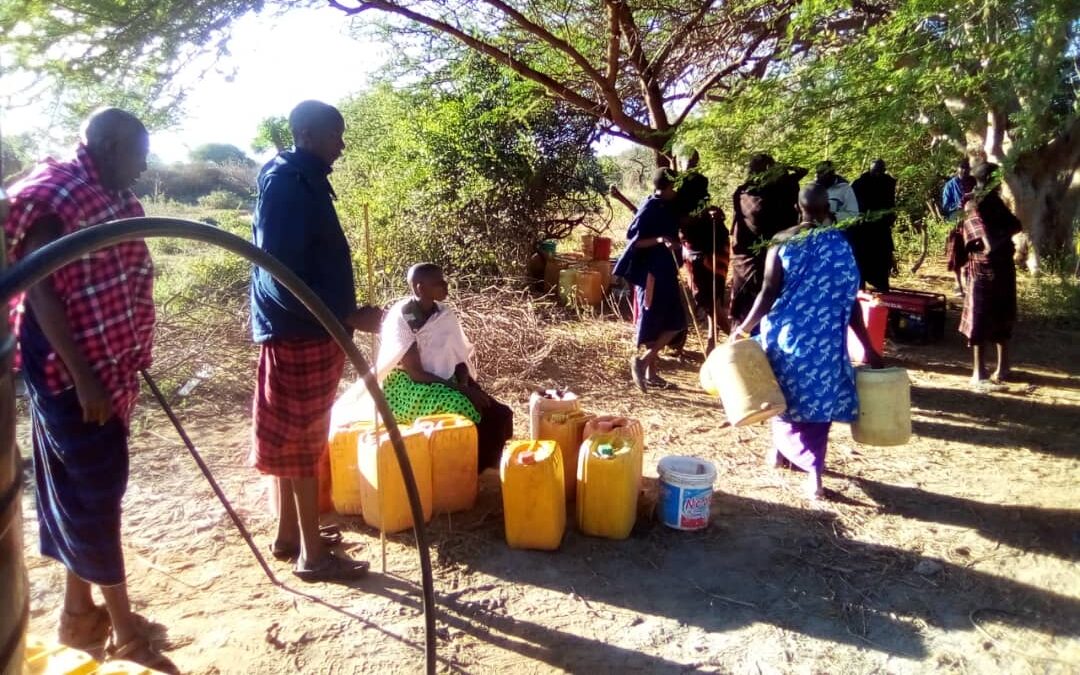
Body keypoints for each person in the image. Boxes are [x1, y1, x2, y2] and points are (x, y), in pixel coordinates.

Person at [2, 109, 178, 673]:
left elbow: (121, 275)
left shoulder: (111, 196)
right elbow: (42, 290)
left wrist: (120, 358)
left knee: (85, 492)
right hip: (72, 376)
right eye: (138, 151)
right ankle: (125, 631)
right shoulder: (57, 197)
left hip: (109, 370)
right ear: (105, 144)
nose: (145, 162)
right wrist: (83, 375)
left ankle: (78, 613)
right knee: (95, 498)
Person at [250, 100, 381, 582]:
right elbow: (282, 272)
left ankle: (290, 534)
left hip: (311, 326)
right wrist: (347, 313)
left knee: (298, 433)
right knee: (303, 440)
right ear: (305, 132)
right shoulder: (287, 182)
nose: (340, 146)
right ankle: (312, 555)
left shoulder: (301, 177)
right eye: (333, 135)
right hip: (301, 328)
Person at [731, 184, 883, 499]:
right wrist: (867, 346)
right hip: (825, 344)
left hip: (786, 338)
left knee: (783, 399)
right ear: (827, 209)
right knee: (817, 409)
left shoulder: (783, 241)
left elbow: (768, 293)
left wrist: (744, 328)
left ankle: (783, 455)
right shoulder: (840, 244)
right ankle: (812, 474)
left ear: (798, 208)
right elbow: (851, 302)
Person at [368, 263, 513, 470]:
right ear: (420, 288)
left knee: (500, 413)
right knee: (462, 408)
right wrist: (462, 391)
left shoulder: (444, 314)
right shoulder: (404, 319)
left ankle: (485, 468)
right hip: (409, 386)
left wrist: (466, 384)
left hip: (447, 379)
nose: (445, 286)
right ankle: (464, 470)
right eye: (438, 283)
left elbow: (458, 357)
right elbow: (416, 374)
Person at [613, 167, 686, 391]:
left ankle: (645, 364)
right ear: (668, 187)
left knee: (676, 323)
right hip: (651, 275)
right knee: (653, 324)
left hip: (667, 271)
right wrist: (659, 239)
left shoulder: (669, 205)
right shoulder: (650, 207)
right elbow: (634, 242)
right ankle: (649, 372)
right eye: (675, 187)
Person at [960, 162, 1022, 388]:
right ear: (989, 179)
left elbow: (1016, 225)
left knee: (1003, 314)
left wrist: (999, 237)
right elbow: (987, 240)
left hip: (1002, 265)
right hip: (983, 268)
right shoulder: (972, 203)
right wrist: (998, 239)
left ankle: (1003, 368)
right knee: (979, 316)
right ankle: (979, 371)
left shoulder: (995, 201)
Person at [729, 154, 807, 327]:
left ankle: (741, 340)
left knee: (745, 308)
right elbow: (802, 172)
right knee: (771, 307)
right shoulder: (783, 192)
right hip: (775, 259)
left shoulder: (742, 193)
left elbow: (735, 228)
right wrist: (783, 166)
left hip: (745, 261)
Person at [679, 187, 730, 354]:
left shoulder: (710, 213)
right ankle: (712, 341)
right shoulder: (681, 208)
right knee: (708, 301)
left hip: (713, 257)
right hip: (694, 258)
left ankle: (739, 341)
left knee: (713, 302)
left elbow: (722, 233)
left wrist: (716, 217)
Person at [850, 159, 898, 291]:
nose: (878, 174)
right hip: (863, 229)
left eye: (881, 171)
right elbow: (852, 206)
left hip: (881, 228)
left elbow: (890, 203)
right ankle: (860, 289)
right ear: (870, 169)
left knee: (883, 259)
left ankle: (883, 287)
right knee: (862, 260)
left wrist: (890, 216)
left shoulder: (888, 182)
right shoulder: (859, 184)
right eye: (875, 171)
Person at [942, 159, 977, 295]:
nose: (964, 171)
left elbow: (982, 195)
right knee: (956, 253)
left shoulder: (974, 182)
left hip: (973, 221)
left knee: (971, 251)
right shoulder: (950, 185)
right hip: (956, 221)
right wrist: (957, 205)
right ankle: (957, 284)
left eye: (967, 168)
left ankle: (969, 282)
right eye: (962, 168)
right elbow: (945, 206)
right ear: (957, 169)